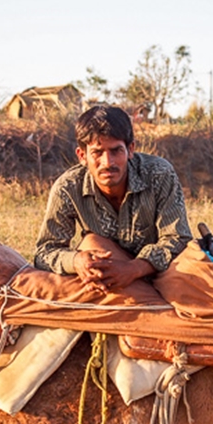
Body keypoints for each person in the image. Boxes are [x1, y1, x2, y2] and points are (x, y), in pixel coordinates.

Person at [34, 104, 192, 295]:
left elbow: (178, 238)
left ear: (130, 149)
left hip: (162, 272)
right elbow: (44, 252)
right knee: (90, 245)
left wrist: (134, 269)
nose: (108, 163)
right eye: (97, 153)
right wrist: (77, 261)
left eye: (116, 151)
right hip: (107, 277)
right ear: (82, 155)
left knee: (199, 268)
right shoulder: (68, 188)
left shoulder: (159, 174)